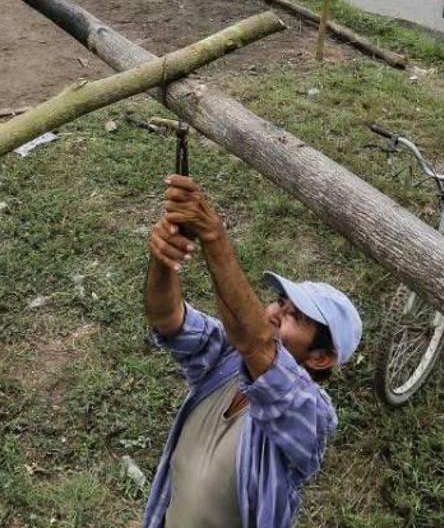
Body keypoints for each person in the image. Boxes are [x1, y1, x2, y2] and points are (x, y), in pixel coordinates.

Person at [143, 175, 362, 528]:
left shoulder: (311, 417)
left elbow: (256, 342)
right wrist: (164, 260)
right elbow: (167, 318)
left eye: (296, 316)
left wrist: (213, 236)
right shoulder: (228, 359)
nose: (275, 313)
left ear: (320, 358)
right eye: (280, 302)